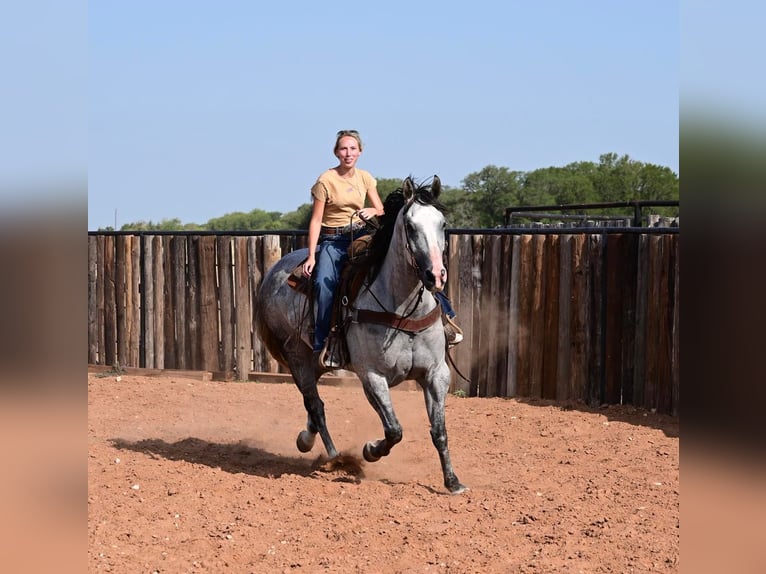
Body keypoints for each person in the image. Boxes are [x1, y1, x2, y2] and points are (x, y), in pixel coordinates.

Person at [303, 130, 462, 369]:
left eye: (353, 149)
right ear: (336, 152)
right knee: (324, 283)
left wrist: (371, 211)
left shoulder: (365, 178)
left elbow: (380, 209)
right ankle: (325, 340)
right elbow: (316, 220)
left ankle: (445, 320)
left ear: (360, 152)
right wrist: (310, 256)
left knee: (414, 265)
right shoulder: (325, 180)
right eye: (344, 149)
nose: (348, 153)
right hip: (333, 241)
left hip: (362, 234)